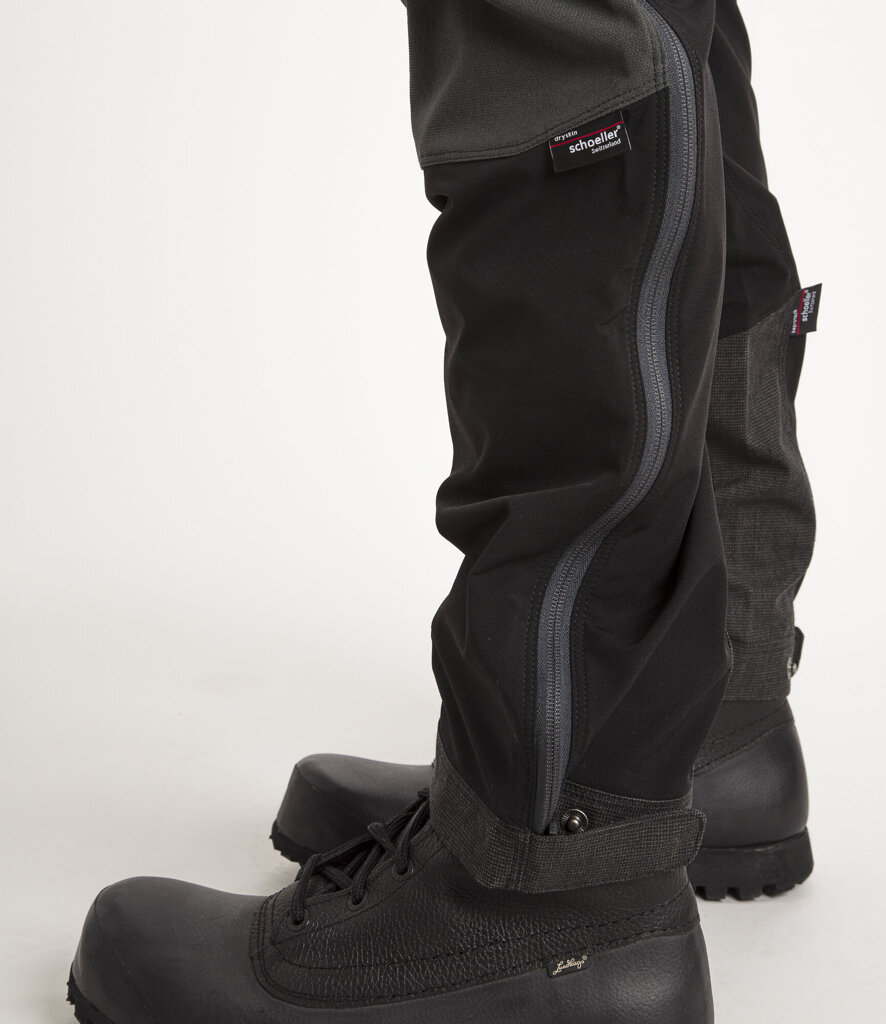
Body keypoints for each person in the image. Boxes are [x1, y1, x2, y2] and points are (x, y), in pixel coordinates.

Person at [67, 1, 818, 1021]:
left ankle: (549, 865)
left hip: (552, 871)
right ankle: (696, 725)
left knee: (561, 41)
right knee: (659, 37)